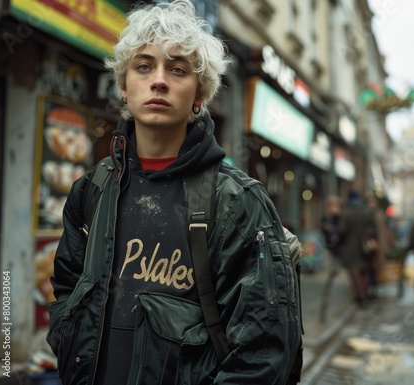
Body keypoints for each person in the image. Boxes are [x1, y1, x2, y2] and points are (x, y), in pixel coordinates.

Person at [46, 2, 302, 384]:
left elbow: (264, 351)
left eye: (178, 69)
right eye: (144, 66)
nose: (159, 80)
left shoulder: (236, 202)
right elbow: (67, 290)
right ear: (123, 87)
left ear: (199, 95)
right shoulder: (93, 189)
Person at [338, 190, 377, 307]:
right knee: (364, 272)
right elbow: (374, 231)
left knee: (354, 272)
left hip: (350, 248)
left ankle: (359, 297)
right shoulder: (367, 212)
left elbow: (342, 231)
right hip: (365, 249)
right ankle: (365, 295)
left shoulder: (346, 213)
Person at [365, 195, 395, 299]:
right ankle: (372, 288)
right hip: (373, 245)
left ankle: (372, 288)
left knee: (373, 268)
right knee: (372, 268)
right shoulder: (378, 214)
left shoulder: (378, 214)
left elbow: (385, 231)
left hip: (374, 245)